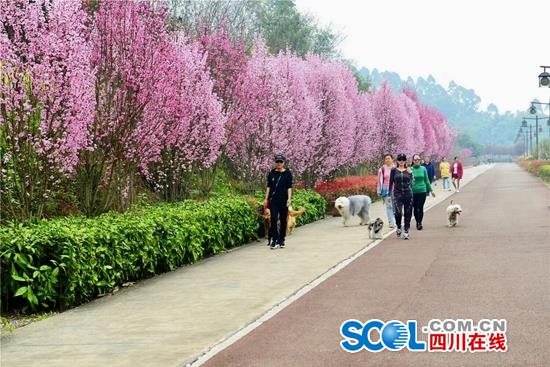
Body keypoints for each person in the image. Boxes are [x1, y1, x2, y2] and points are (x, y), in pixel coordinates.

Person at [264, 154, 293, 249]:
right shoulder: (271, 173)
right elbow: (268, 187)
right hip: (273, 200)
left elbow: (289, 187)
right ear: (275, 162)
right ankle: (275, 240)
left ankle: (282, 239)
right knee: (273, 219)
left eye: (281, 162)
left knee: (284, 220)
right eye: (277, 161)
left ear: (284, 163)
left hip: (283, 200)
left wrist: (289, 199)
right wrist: (266, 199)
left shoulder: (288, 173)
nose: (279, 163)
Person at [388, 153, 413, 240]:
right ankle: (398, 226)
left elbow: (413, 182)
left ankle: (406, 231)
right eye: (400, 160)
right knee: (398, 213)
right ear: (397, 161)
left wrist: (411, 173)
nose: (401, 161)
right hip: (397, 194)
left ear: (405, 161)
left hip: (408, 194)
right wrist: (388, 195)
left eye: (403, 159)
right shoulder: (393, 170)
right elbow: (390, 183)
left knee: (408, 213)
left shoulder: (409, 170)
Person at [412, 154, 436, 230]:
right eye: (415, 160)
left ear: (420, 160)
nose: (417, 161)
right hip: (413, 191)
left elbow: (426, 180)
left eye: (418, 159)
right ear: (413, 161)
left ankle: (420, 223)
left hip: (422, 190)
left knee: (420, 206)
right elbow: (408, 181)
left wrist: (431, 190)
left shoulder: (423, 169)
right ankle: (417, 221)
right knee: (415, 207)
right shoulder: (410, 169)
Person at [376, 153, 396, 229]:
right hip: (386, 190)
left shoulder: (396, 168)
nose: (387, 160)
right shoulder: (382, 169)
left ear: (392, 159)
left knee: (395, 206)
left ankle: (395, 220)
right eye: (386, 158)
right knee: (389, 206)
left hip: (395, 189)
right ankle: (391, 222)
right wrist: (378, 191)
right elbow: (379, 181)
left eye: (389, 158)